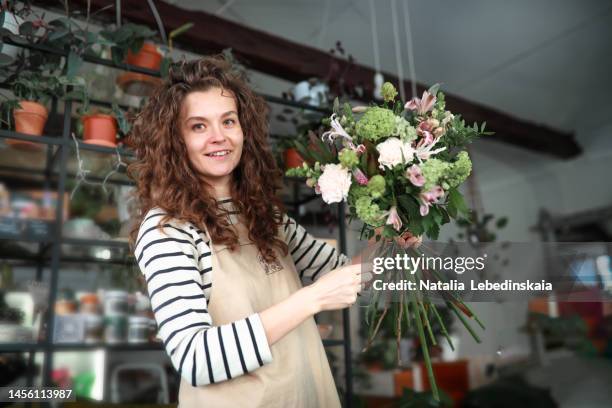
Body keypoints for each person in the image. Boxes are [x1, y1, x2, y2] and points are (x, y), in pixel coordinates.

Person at [129, 55, 362, 408]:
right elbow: (196, 358)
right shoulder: (168, 229)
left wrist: (393, 233)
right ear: (174, 139)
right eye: (198, 126)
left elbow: (345, 274)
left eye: (228, 121)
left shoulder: (265, 217)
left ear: (244, 130)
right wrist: (310, 299)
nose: (219, 137)